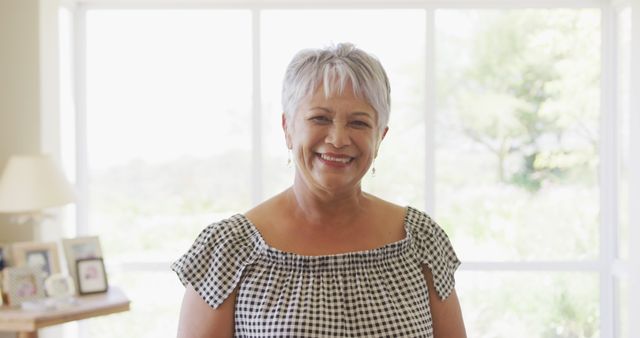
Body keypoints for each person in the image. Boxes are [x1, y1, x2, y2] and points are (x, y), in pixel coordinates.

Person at [172, 43, 466, 337]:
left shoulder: (422, 241)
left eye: (359, 122)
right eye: (320, 118)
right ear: (287, 127)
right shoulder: (228, 250)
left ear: (381, 137)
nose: (338, 139)